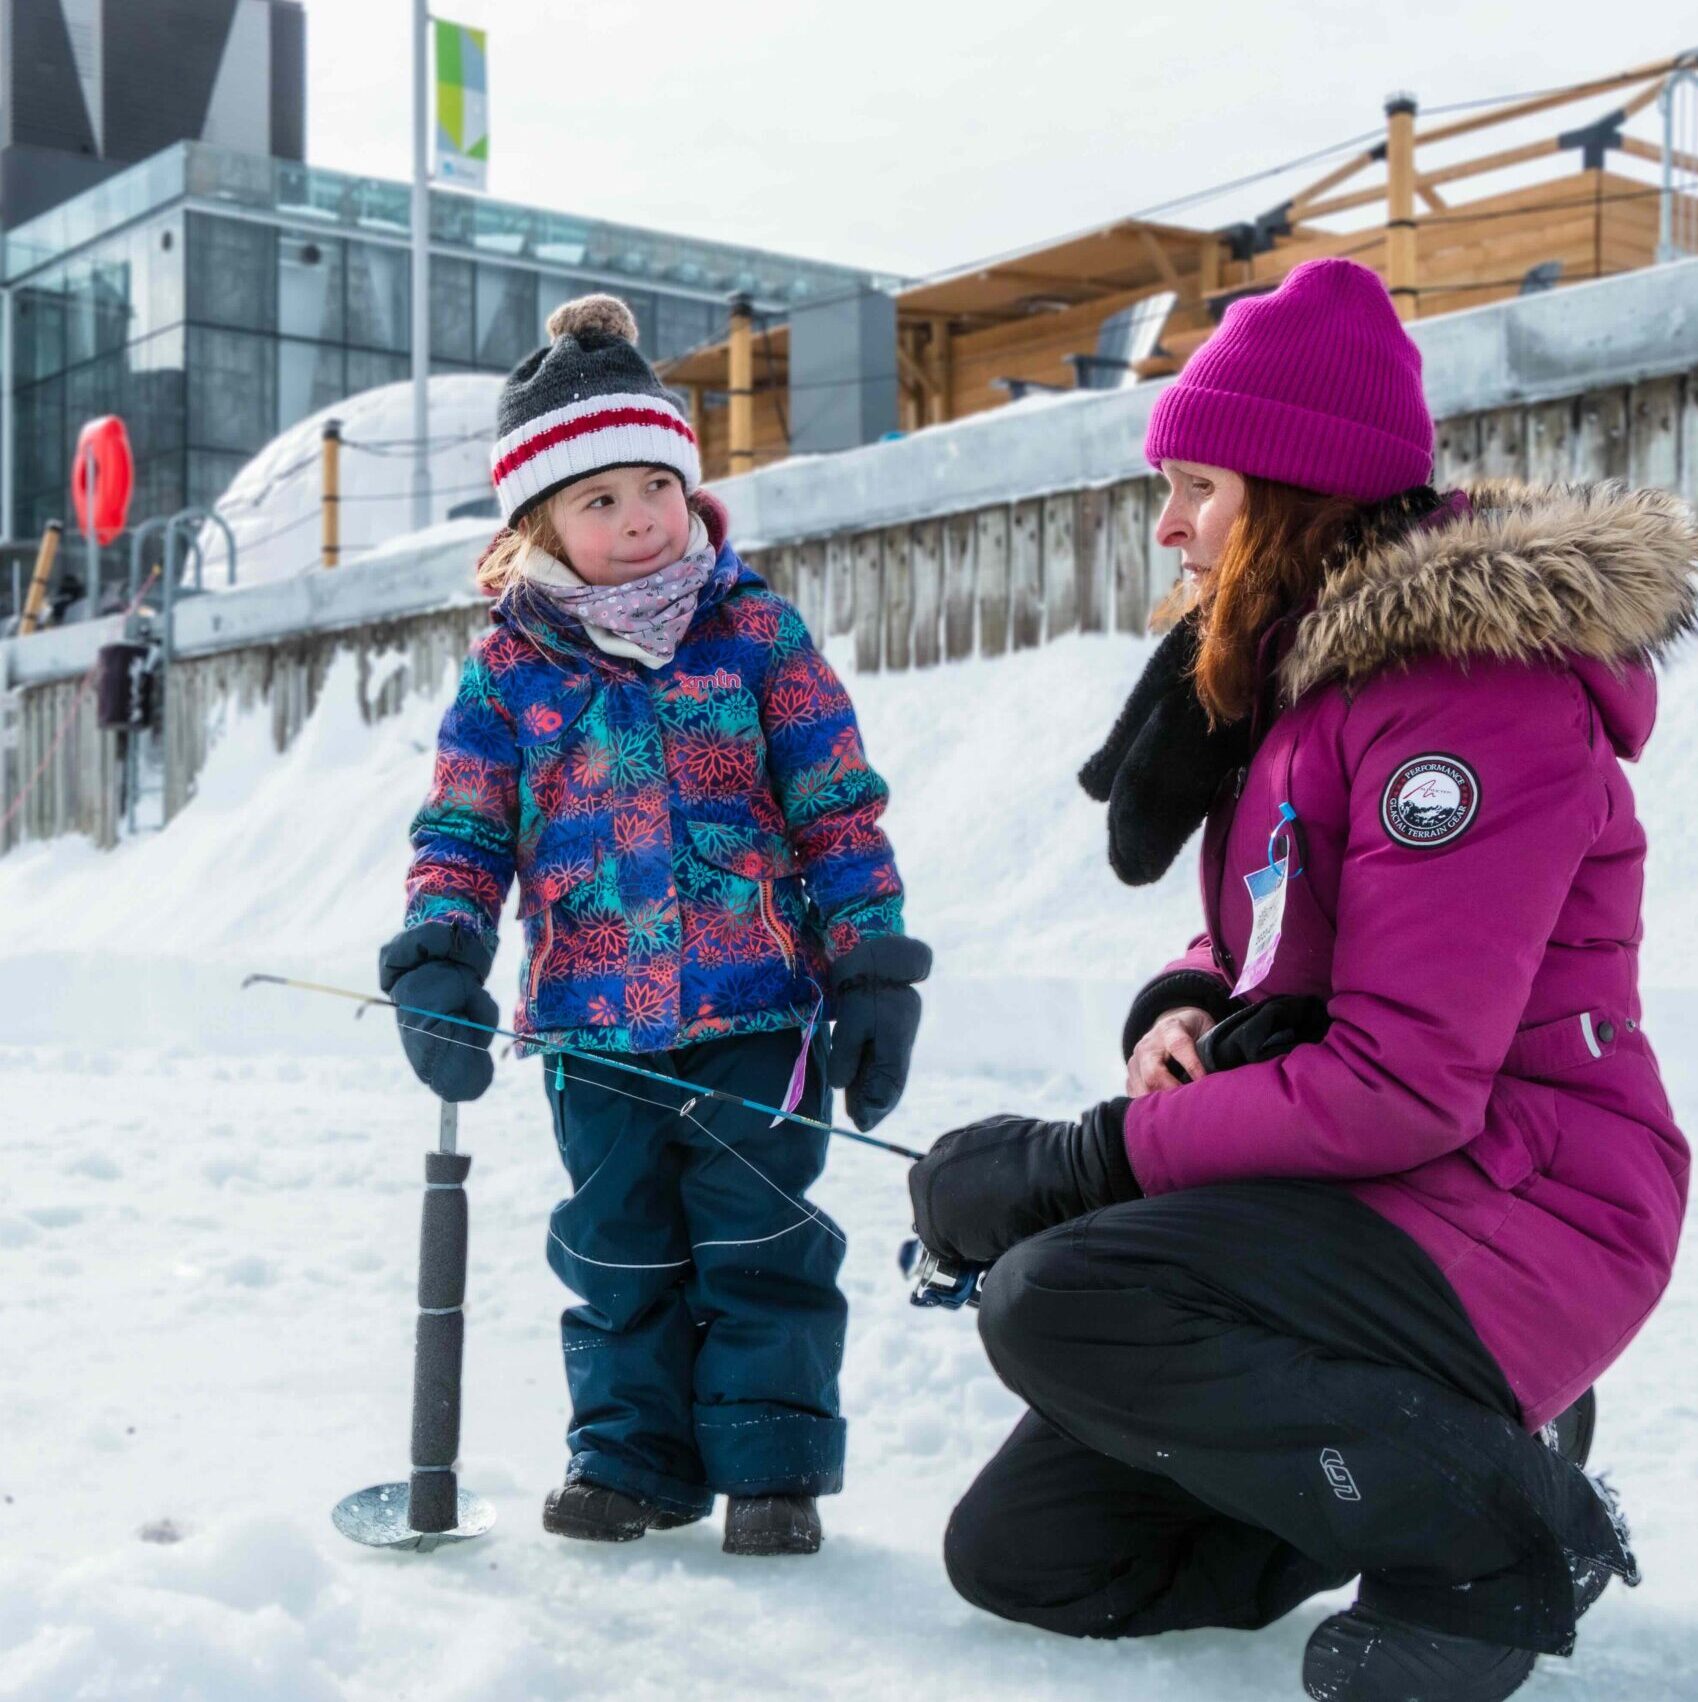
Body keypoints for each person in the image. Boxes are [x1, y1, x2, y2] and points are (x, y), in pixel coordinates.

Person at [908, 258, 1692, 1700]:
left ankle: (1500, 1540)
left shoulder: (1468, 699)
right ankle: (1456, 1435)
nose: (1170, 528)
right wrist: (1184, 1006)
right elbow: (1269, 935)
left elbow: (1403, 1078)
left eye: (1196, 488)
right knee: (1028, 1555)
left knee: (1057, 1296)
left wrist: (1082, 1161)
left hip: (1530, 1196)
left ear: (1294, 490)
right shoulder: (1309, 695)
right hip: (1369, 1202)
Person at [380, 295, 931, 1557]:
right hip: (594, 1026)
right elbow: (462, 830)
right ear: (539, 528)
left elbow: (837, 810)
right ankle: (631, 1461)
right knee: (618, 1248)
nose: (637, 518)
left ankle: (773, 1470)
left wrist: (874, 966)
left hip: (758, 1011)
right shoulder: (507, 670)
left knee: (763, 1243)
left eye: (654, 486)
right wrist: (441, 947)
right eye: (599, 500)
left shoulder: (756, 635)